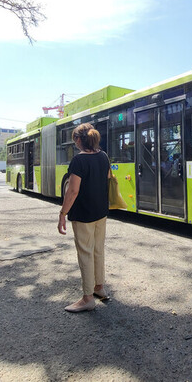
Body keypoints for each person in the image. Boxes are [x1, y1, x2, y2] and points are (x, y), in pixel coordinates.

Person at [57, 123, 111, 313]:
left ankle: (87, 298)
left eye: (74, 140)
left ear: (79, 140)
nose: (75, 144)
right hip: (101, 212)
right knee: (98, 250)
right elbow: (106, 179)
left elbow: (73, 191)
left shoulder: (78, 161)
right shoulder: (103, 156)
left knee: (85, 253)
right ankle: (99, 287)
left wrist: (62, 214)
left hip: (84, 214)